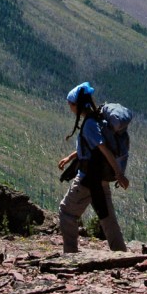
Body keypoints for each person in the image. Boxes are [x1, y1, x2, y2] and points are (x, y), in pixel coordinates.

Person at [57, 82, 129, 253]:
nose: (70, 107)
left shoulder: (89, 124)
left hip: (87, 180)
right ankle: (121, 255)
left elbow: (103, 148)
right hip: (100, 179)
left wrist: (119, 174)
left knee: (66, 212)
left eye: (71, 104)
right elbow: (92, 146)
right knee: (108, 219)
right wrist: (70, 157)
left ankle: (70, 254)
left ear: (77, 105)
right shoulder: (96, 119)